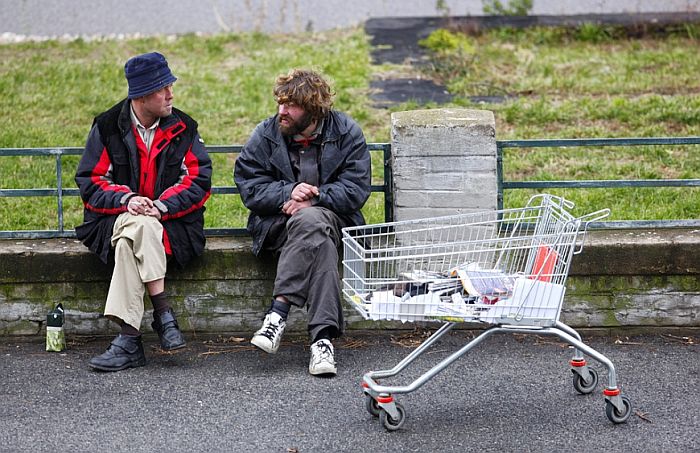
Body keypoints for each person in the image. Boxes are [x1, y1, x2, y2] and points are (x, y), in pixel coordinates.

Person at [75, 52, 212, 372]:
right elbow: (91, 181)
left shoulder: (184, 127)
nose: (171, 94)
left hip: (174, 225)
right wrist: (128, 201)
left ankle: (129, 340)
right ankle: (162, 313)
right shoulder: (108, 126)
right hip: (113, 218)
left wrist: (160, 207)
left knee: (131, 240)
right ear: (142, 95)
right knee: (137, 225)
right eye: (163, 87)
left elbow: (198, 180)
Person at [234, 69, 371, 377]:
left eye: (290, 105)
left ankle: (277, 314)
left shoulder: (346, 131)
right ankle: (322, 341)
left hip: (335, 221)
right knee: (317, 240)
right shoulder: (267, 134)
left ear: (312, 109)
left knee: (313, 221)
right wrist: (288, 191)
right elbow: (249, 184)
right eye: (280, 103)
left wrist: (316, 196)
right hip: (278, 226)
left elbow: (356, 189)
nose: (281, 111)